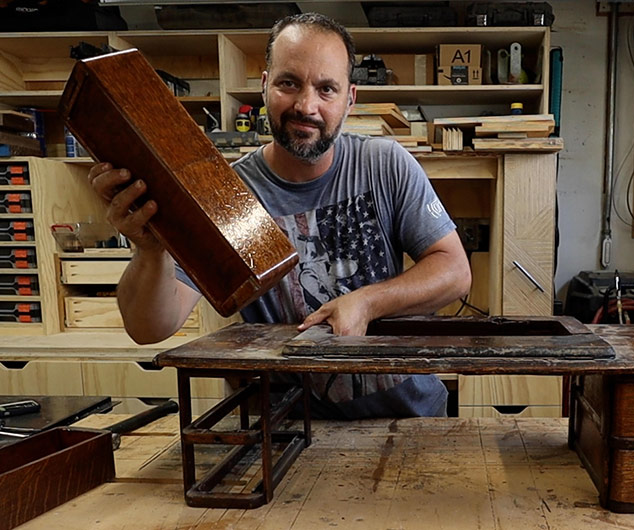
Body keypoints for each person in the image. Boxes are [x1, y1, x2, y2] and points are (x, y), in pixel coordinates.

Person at [88, 12, 472, 419]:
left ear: (350, 99)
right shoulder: (226, 195)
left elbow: (455, 272)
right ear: (265, 84)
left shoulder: (385, 165)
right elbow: (150, 328)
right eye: (289, 83)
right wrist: (151, 250)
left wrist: (367, 302)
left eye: (327, 89)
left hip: (408, 417)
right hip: (288, 434)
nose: (307, 106)